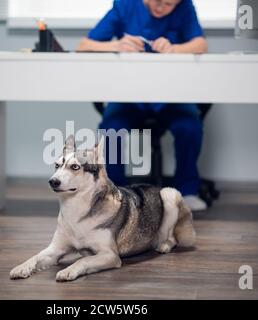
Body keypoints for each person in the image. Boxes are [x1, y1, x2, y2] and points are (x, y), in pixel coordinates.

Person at [77, 0, 208, 211]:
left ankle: (188, 191)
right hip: (129, 96)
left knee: (189, 127)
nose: (161, 9)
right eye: (158, 2)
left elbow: (200, 45)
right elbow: (84, 46)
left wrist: (174, 49)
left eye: (169, 5)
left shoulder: (185, 6)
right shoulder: (125, 5)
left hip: (170, 96)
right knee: (112, 129)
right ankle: (115, 193)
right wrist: (116, 45)